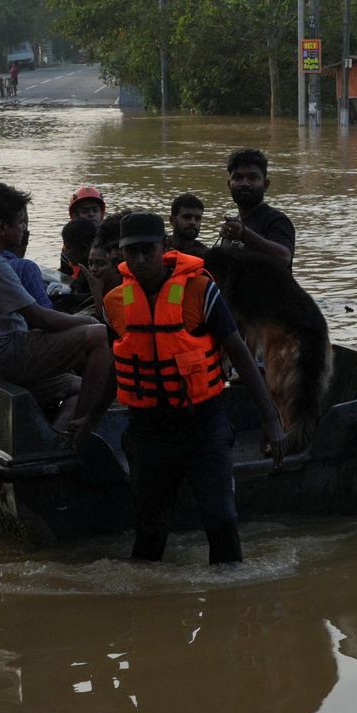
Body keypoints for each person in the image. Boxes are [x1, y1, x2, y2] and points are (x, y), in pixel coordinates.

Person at [106, 212, 285, 566]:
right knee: (150, 531)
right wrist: (87, 420)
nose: (140, 260)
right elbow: (118, 366)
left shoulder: (201, 290)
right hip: (147, 430)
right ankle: (149, 607)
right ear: (122, 255)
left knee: (221, 520)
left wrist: (271, 418)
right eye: (132, 252)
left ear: (165, 247)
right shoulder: (115, 302)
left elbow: (240, 353)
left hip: (202, 426)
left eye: (148, 250)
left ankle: (229, 603)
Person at [0, 183, 112, 443]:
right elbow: (41, 318)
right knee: (102, 336)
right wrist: (87, 320)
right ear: (2, 228)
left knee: (81, 388)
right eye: (21, 223)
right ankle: (82, 431)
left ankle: (57, 439)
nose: (25, 229)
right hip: (5, 356)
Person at [219, 148, 294, 268]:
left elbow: (284, 258)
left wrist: (244, 234)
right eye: (238, 178)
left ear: (265, 185)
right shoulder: (231, 228)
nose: (245, 183)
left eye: (252, 178)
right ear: (229, 184)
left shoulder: (277, 220)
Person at [56, 215, 100, 311]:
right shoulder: (83, 269)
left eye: (68, 247)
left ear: (84, 249)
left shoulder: (92, 273)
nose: (65, 251)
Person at [168, 193, 207, 257]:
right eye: (187, 217)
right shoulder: (158, 249)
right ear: (172, 220)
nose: (193, 222)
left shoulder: (205, 255)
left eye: (197, 218)